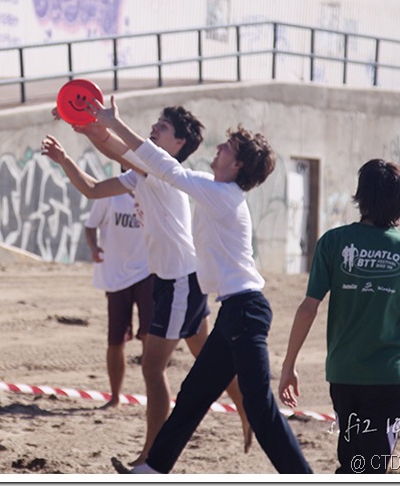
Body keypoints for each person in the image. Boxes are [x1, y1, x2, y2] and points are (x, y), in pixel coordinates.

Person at [87, 96, 312, 474]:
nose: (220, 148)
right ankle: (153, 470)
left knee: (259, 407)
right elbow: (149, 164)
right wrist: (96, 128)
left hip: (246, 311)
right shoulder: (213, 185)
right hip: (232, 312)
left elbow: (162, 166)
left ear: (237, 164)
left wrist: (112, 123)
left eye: (229, 148)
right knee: (194, 395)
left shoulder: (222, 195)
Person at [43, 106, 251, 466]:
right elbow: (92, 189)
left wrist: (91, 122)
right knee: (205, 354)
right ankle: (248, 407)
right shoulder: (142, 175)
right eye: (156, 123)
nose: (154, 127)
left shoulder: (164, 174)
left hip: (180, 282)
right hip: (173, 280)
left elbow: (117, 146)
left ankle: (150, 458)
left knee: (153, 368)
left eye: (163, 126)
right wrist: (67, 151)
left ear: (180, 143)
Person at [278, 159, 400, 474]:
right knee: (373, 464)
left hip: (344, 372)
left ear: (360, 196)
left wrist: (288, 366)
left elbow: (308, 308)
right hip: (390, 375)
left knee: (351, 457)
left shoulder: (333, 242)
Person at [84, 188, 154, 409]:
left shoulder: (154, 192)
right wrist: (95, 248)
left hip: (147, 272)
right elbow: (90, 225)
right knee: (115, 340)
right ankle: (115, 397)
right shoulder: (110, 193)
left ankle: (154, 396)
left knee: (150, 338)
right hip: (116, 276)